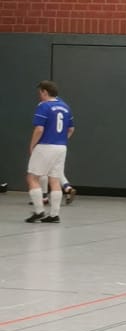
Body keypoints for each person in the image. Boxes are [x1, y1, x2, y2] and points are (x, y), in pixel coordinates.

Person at [26, 80, 74, 225]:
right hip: (61, 147)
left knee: (32, 178)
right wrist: (61, 140)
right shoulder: (65, 107)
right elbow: (71, 129)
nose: (39, 95)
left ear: (45, 92)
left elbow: (39, 129)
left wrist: (32, 145)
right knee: (55, 180)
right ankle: (54, 215)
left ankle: (39, 211)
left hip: (45, 146)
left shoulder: (44, 106)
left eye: (40, 92)